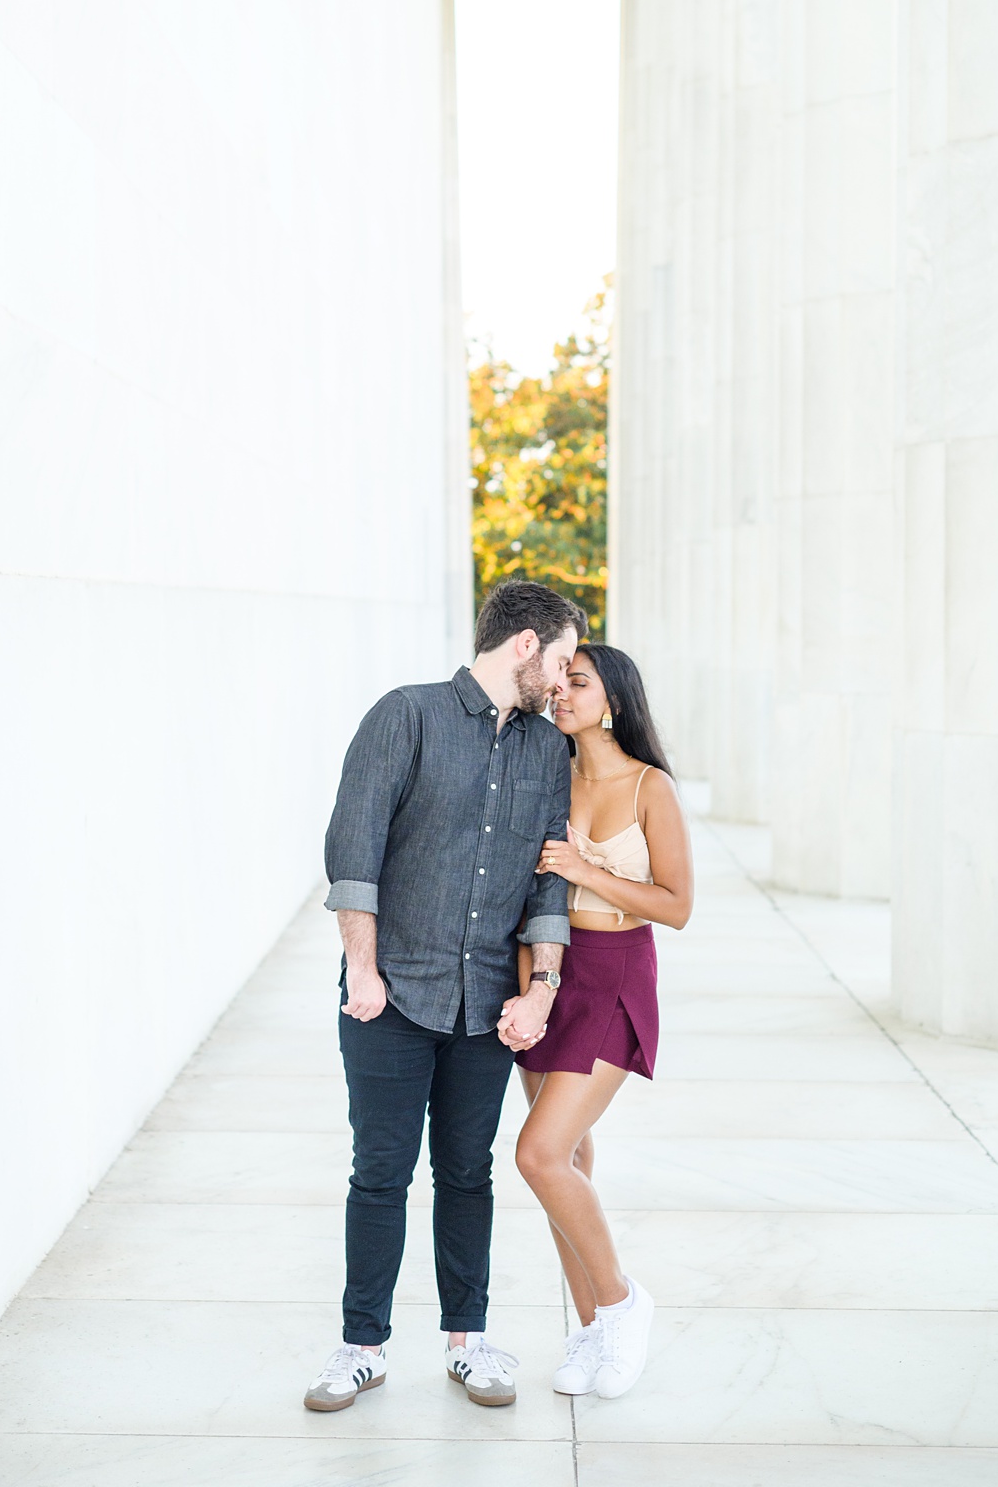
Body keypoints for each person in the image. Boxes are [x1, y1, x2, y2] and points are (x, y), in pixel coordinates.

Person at [301, 579, 584, 1415]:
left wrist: (540, 992)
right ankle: (361, 1347)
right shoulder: (407, 716)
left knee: (468, 1172)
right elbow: (354, 844)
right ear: (525, 647)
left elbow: (548, 884)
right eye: (562, 661)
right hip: (388, 996)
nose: (564, 683)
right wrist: (362, 968)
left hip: (486, 1005)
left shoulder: (545, 751)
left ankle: (469, 1342)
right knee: (380, 1173)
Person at [506, 642, 693, 1400]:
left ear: (611, 698)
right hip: (543, 974)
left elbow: (677, 907)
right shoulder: (544, 773)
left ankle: (621, 1301)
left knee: (539, 1155)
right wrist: (527, 991)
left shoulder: (651, 787)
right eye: (558, 683)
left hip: (614, 976)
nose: (561, 694)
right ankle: (589, 1329)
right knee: (570, 1164)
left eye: (576, 683)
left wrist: (588, 870)